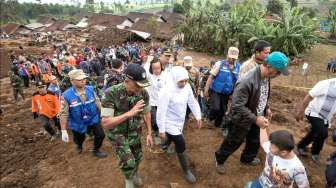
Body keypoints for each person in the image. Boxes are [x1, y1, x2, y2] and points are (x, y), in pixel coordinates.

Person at [214, 52, 289, 174]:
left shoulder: (266, 77)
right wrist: (256, 119)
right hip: (242, 119)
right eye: (278, 71)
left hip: (257, 116)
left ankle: (247, 159)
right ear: (269, 66)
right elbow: (237, 106)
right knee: (234, 141)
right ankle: (219, 159)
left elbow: (262, 95)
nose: (279, 74)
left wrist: (267, 108)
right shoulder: (247, 81)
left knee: (254, 140)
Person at [101, 63, 153, 188]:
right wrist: (129, 113)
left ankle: (134, 174)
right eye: (138, 85)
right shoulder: (110, 93)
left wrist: (149, 133)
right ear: (127, 81)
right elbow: (106, 123)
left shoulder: (143, 93)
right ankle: (128, 179)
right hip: (117, 133)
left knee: (138, 157)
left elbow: (146, 113)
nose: (141, 88)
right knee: (128, 160)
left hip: (135, 130)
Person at [156, 66, 202, 184]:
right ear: (175, 79)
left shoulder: (187, 87)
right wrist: (161, 129)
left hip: (180, 120)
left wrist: (198, 116)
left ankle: (164, 145)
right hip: (168, 121)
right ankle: (186, 170)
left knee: (172, 136)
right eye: (181, 81)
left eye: (186, 80)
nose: (184, 83)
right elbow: (161, 111)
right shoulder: (166, 91)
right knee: (180, 142)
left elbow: (192, 101)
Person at [59, 69, 107, 158]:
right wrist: (63, 130)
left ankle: (95, 149)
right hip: (77, 122)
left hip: (92, 118)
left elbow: (98, 102)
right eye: (79, 79)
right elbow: (63, 113)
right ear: (72, 81)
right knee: (80, 138)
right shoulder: (65, 96)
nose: (83, 81)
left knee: (101, 134)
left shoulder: (90, 89)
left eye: (84, 79)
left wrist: (107, 115)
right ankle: (79, 145)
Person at [245, 129, 309, 188]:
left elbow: (304, 186)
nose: (269, 146)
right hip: (262, 181)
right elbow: (264, 142)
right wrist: (262, 128)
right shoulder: (274, 150)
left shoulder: (297, 168)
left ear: (283, 152)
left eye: (271, 146)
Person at [295, 78, 336, 162]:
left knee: (315, 131)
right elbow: (309, 96)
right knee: (323, 133)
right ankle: (315, 152)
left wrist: (334, 120)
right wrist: (301, 111)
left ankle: (301, 146)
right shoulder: (326, 84)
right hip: (314, 112)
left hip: (326, 117)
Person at [204, 47, 240, 128]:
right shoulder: (220, 64)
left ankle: (217, 124)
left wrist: (234, 94)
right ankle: (209, 119)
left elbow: (238, 82)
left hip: (227, 93)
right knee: (216, 107)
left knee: (222, 111)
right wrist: (206, 90)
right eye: (231, 57)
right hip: (216, 91)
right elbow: (211, 77)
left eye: (234, 58)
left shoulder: (238, 67)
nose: (232, 59)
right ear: (227, 55)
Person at [145, 57, 166, 144]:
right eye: (154, 68)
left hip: (162, 102)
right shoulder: (149, 75)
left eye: (158, 68)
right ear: (151, 68)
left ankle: (162, 133)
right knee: (154, 120)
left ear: (161, 67)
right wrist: (148, 61)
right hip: (152, 102)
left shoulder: (165, 75)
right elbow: (144, 69)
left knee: (162, 119)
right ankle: (156, 133)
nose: (156, 70)